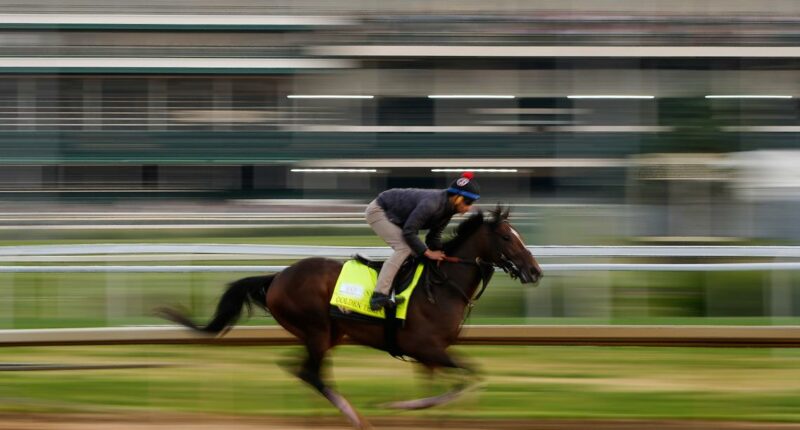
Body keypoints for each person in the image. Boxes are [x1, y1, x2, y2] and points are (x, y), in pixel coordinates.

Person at [364, 172, 480, 310]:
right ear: (457, 198)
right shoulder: (432, 204)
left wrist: (440, 252)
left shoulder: (449, 209)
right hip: (379, 210)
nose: (469, 207)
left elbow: (434, 236)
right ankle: (379, 295)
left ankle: (397, 292)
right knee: (405, 248)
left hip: (398, 217)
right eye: (468, 202)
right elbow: (409, 232)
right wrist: (428, 252)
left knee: (416, 252)